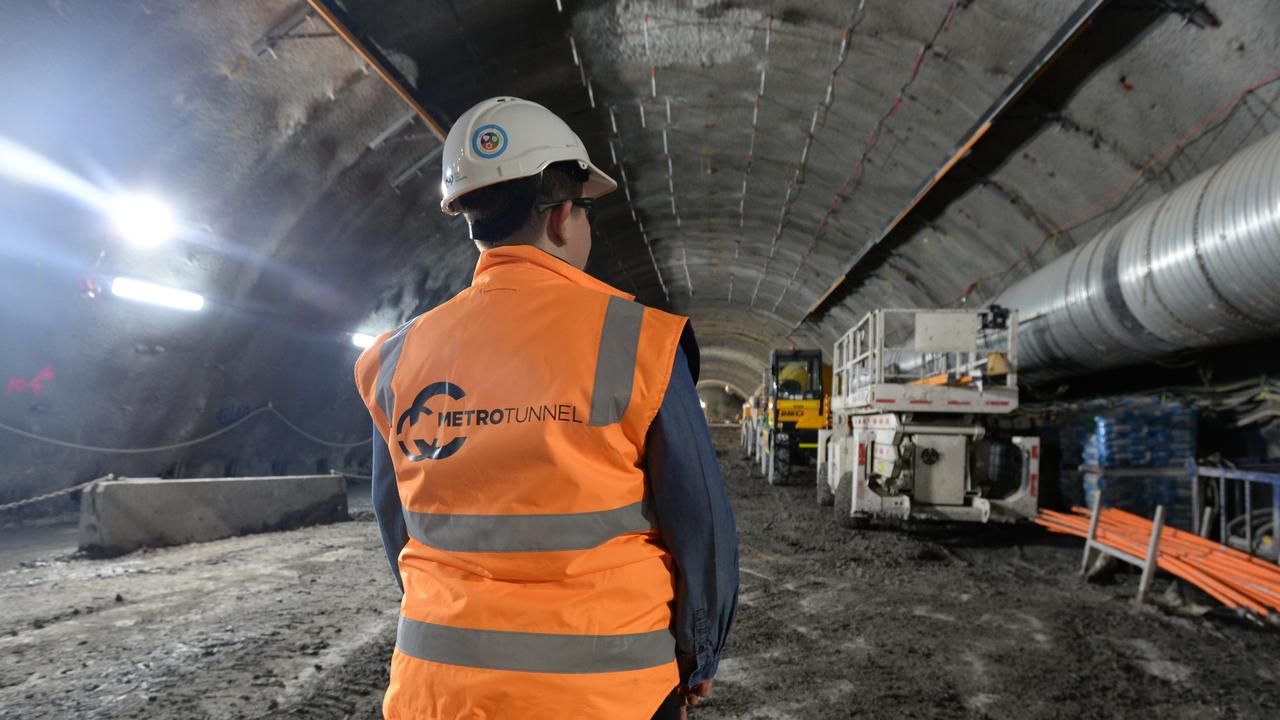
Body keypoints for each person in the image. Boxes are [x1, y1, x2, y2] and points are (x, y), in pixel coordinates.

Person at [353, 96, 738, 720]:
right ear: (563, 217)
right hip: (612, 694)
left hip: (439, 691)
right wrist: (701, 655)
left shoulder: (396, 358)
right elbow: (700, 525)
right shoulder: (640, 340)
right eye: (586, 211)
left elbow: (396, 522)